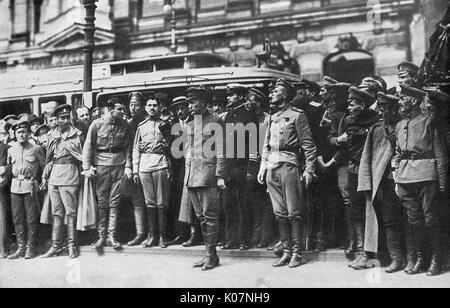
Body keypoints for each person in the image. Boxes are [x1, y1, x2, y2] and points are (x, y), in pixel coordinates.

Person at [258, 79, 317, 268]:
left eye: (275, 91)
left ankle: (297, 254)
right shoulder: (272, 117)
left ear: (284, 95)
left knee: (294, 213)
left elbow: (309, 146)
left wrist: (309, 170)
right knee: (279, 213)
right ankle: (286, 251)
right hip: (272, 168)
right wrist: (263, 167)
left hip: (289, 166)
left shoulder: (297, 116)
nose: (271, 94)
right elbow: (266, 146)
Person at [394, 84, 448, 276]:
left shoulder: (428, 122)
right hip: (405, 177)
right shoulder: (400, 125)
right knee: (414, 220)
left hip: (426, 174)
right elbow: (398, 154)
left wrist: (442, 181)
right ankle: (421, 258)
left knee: (430, 218)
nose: (399, 102)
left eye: (403, 99)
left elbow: (440, 153)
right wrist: (397, 179)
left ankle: (436, 259)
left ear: (414, 100)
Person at [357, 92, 405, 273]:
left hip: (400, 179)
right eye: (380, 107)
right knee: (382, 219)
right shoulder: (376, 129)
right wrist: (365, 183)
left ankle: (400, 258)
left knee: (396, 221)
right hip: (380, 182)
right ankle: (384, 258)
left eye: (385, 108)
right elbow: (367, 157)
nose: (381, 111)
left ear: (394, 108)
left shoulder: (401, 126)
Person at [183, 87, 226, 271]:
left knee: (210, 216)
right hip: (193, 175)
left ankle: (210, 255)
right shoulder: (191, 123)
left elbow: (223, 149)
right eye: (189, 102)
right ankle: (210, 254)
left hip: (209, 175)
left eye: (193, 102)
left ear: (203, 102)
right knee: (201, 217)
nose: (190, 106)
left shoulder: (216, 121)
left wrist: (220, 175)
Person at [336, 87, 379, 269]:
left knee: (372, 211)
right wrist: (339, 140)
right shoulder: (348, 121)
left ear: (362, 104)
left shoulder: (375, 121)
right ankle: (362, 252)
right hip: (354, 170)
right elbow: (341, 142)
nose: (350, 106)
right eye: (349, 102)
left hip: (371, 170)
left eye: (353, 103)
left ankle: (372, 254)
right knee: (357, 211)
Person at [82, 96, 133, 251]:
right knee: (103, 202)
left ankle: (112, 236)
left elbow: (128, 147)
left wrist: (129, 167)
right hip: (101, 165)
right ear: (110, 109)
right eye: (120, 109)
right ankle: (101, 236)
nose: (123, 112)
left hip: (119, 164)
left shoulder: (125, 125)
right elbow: (88, 146)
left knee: (115, 201)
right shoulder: (96, 125)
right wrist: (87, 167)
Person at [40, 105, 84, 259]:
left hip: (70, 174)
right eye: (61, 118)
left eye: (67, 117)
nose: (65, 120)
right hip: (54, 176)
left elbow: (82, 157)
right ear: (56, 120)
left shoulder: (77, 135)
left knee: (70, 213)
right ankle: (55, 245)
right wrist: (45, 177)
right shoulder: (52, 136)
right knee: (56, 213)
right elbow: (48, 159)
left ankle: (72, 245)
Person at [132, 95, 172, 248]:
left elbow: (172, 144)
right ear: (145, 108)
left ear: (159, 107)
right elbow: (136, 148)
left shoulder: (165, 124)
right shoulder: (141, 126)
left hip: (160, 163)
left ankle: (163, 236)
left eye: (155, 105)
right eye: (149, 105)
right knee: (149, 202)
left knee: (162, 202)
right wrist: (135, 170)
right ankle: (152, 236)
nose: (152, 108)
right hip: (145, 165)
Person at [221, 83, 255, 250]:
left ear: (241, 97)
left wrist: (251, 170)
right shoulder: (227, 116)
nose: (228, 97)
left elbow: (254, 144)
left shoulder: (248, 115)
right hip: (229, 167)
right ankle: (230, 239)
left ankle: (244, 240)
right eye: (228, 94)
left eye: (231, 94)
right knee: (229, 206)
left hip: (242, 166)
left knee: (244, 205)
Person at [6, 120, 45, 259]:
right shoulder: (11, 150)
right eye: (19, 132)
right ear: (15, 134)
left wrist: (40, 182)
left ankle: (30, 248)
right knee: (18, 218)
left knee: (31, 219)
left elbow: (43, 167)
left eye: (24, 132)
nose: (22, 135)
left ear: (29, 133)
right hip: (15, 187)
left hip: (30, 187)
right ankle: (21, 247)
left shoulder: (36, 149)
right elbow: (9, 168)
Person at [243, 88, 276, 248]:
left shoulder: (268, 119)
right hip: (252, 163)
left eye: (250, 100)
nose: (247, 103)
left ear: (258, 103)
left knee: (267, 201)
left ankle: (266, 235)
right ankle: (256, 234)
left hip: (267, 162)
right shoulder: (247, 119)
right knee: (255, 202)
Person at [169, 96, 202, 247]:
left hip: (192, 165)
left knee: (192, 200)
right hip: (178, 168)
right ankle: (181, 233)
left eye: (182, 108)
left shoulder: (194, 122)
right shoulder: (173, 125)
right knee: (179, 201)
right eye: (177, 109)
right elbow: (172, 149)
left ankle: (195, 234)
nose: (180, 112)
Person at [124, 92, 148, 247]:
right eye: (131, 104)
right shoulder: (129, 124)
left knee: (152, 201)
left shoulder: (147, 121)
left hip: (148, 164)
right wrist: (129, 166)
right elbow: (127, 147)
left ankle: (154, 234)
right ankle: (140, 233)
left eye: (136, 104)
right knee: (137, 199)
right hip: (133, 166)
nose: (133, 108)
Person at [0, 139, 10, 258]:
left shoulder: (5, 148)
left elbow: (10, 166)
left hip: (1, 185)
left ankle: (3, 249)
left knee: (1, 218)